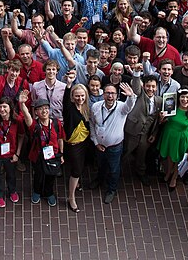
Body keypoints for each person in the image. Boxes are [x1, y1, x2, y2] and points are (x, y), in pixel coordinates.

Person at [89, 81, 136, 203]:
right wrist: (95, 142)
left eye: (113, 93)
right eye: (107, 93)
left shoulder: (121, 107)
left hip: (115, 147)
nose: (110, 96)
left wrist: (130, 96)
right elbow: (92, 124)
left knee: (114, 169)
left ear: (117, 95)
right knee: (100, 165)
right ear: (103, 94)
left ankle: (111, 189)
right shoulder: (96, 107)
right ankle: (99, 180)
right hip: (99, 145)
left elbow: (130, 106)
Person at [18, 92, 65, 206]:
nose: (44, 111)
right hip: (38, 156)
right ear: (36, 112)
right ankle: (37, 191)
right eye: (40, 109)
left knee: (51, 176)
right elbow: (26, 115)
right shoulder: (35, 125)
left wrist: (61, 154)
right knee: (38, 176)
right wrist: (22, 103)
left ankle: (49, 193)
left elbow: (60, 139)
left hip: (53, 156)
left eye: (46, 108)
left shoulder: (55, 123)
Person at [158, 87, 188, 190]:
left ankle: (174, 177)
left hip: (181, 139)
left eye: (187, 97)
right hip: (168, 136)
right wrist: (161, 118)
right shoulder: (171, 107)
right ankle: (168, 172)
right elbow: (162, 122)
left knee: (177, 160)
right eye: (182, 97)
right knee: (169, 157)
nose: (185, 100)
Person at [62, 71, 91, 211]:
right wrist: (69, 84)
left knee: (82, 165)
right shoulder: (70, 109)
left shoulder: (86, 108)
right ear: (73, 97)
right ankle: (71, 197)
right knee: (76, 170)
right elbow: (65, 100)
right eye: (77, 96)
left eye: (82, 96)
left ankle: (76, 184)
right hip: (73, 145)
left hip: (84, 142)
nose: (80, 98)